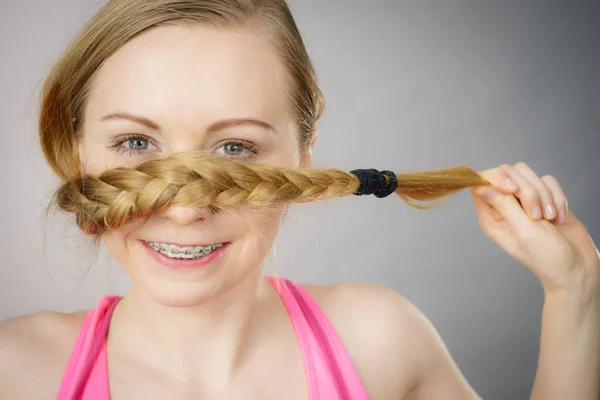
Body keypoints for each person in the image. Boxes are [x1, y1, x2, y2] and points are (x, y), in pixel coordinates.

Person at [1, 1, 598, 399]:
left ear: (303, 154)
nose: (184, 211)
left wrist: (576, 291)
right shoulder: (14, 372)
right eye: (135, 141)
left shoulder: (379, 342)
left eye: (235, 148)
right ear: (77, 151)